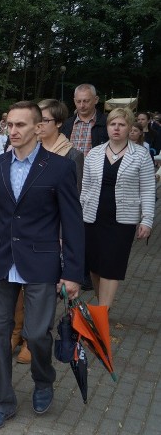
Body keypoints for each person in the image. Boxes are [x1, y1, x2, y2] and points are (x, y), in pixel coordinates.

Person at [0, 101, 84, 431]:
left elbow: (72, 223)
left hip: (41, 261)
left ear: (38, 127)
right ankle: (3, 400)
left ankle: (43, 379)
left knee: (35, 334)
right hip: (1, 260)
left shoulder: (60, 168)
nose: (14, 130)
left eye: (21, 125)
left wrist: (73, 272)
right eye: (10, 125)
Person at [81, 107, 154, 310]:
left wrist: (147, 220)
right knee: (95, 268)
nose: (116, 128)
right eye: (113, 124)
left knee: (111, 267)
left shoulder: (140, 155)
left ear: (130, 128)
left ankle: (102, 312)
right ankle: (103, 305)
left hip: (122, 221)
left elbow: (148, 189)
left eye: (121, 125)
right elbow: (85, 187)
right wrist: (78, 215)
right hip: (93, 218)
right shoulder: (94, 153)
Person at [61, 84, 108, 155]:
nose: (82, 105)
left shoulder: (106, 123)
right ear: (74, 101)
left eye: (86, 101)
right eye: (78, 101)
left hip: (95, 165)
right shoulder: (66, 124)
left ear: (96, 100)